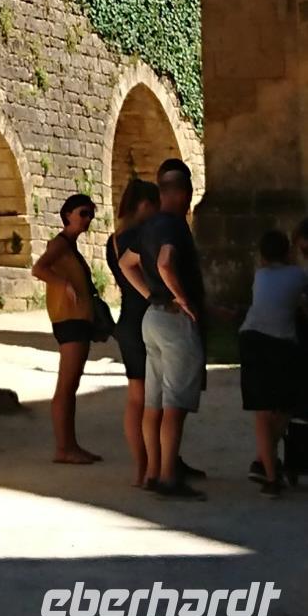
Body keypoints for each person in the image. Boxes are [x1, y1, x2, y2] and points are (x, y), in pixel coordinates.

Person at [119, 165, 206, 499]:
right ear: (184, 193)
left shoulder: (149, 225)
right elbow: (166, 262)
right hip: (173, 321)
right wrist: (181, 298)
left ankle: (154, 471)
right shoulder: (174, 226)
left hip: (152, 319)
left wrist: (151, 295)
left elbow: (128, 263)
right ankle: (170, 476)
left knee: (153, 402)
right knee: (175, 403)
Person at [33, 194, 102, 465]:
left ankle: (70, 445)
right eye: (83, 213)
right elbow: (38, 269)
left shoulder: (69, 246)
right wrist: (63, 284)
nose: (88, 219)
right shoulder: (60, 244)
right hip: (69, 321)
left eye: (91, 215)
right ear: (68, 214)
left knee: (70, 386)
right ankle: (64, 448)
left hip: (77, 320)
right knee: (66, 387)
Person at [240, 229, 308, 496]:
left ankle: (269, 474)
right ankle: (267, 463)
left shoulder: (260, 275)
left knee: (261, 410)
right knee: (286, 405)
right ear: (289, 252)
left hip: (251, 339)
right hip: (281, 344)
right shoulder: (298, 275)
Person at [106, 178, 159, 485]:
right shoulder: (142, 236)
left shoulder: (114, 239)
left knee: (135, 397)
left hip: (126, 318)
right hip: (145, 316)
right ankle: (155, 465)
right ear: (144, 205)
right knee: (153, 398)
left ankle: (140, 467)